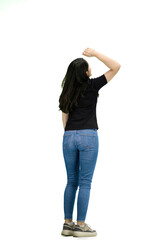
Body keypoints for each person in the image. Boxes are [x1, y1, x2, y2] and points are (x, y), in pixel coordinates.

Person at [58, 48, 121, 237]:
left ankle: (67, 224)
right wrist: (95, 53)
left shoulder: (66, 91)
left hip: (68, 136)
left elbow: (65, 117)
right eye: (88, 66)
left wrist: (71, 135)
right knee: (85, 182)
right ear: (84, 73)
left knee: (71, 181)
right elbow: (116, 66)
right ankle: (81, 225)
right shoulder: (92, 86)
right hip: (88, 136)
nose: (90, 67)